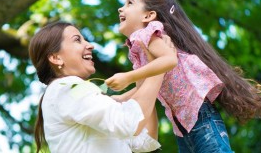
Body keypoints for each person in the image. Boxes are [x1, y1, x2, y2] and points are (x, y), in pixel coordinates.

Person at [105, 0, 261, 153]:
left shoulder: (147, 34)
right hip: (182, 126)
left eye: (129, 3)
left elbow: (169, 59)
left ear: (149, 15)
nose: (121, 8)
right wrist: (120, 98)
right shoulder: (137, 49)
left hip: (199, 117)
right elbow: (143, 90)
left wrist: (128, 77)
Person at [29, 21, 169, 153]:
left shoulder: (72, 93)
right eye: (77, 40)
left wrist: (149, 70)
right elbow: (127, 122)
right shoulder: (66, 88)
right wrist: (161, 63)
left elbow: (146, 141)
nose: (90, 45)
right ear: (56, 58)